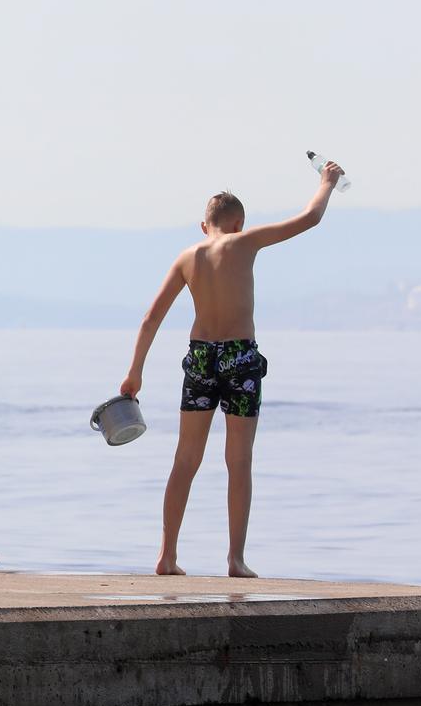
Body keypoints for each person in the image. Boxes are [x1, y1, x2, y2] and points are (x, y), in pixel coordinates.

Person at [120, 161, 344, 578]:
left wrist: (135, 372)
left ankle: (166, 556)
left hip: (202, 356)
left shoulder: (187, 256)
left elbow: (151, 317)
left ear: (203, 225)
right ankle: (235, 559)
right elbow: (310, 218)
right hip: (240, 358)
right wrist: (326, 182)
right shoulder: (245, 242)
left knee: (185, 459)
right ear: (238, 223)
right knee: (238, 461)